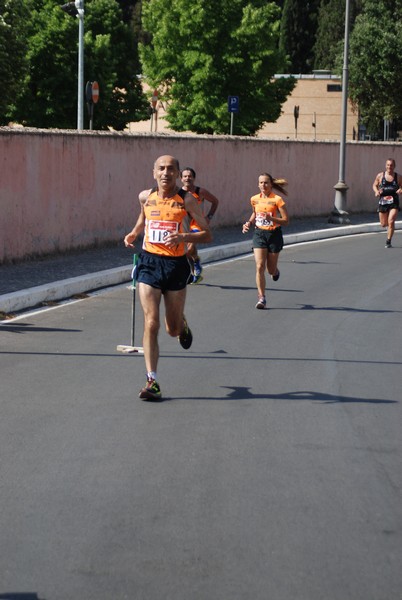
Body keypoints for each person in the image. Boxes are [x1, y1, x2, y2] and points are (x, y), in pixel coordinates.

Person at [124, 155, 212, 401]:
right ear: (154, 173)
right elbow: (143, 219)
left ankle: (181, 324)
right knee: (151, 322)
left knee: (171, 330)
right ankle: (152, 381)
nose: (165, 173)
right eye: (161, 169)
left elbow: (207, 234)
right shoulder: (146, 197)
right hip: (149, 263)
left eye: (170, 169)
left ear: (178, 173)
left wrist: (183, 238)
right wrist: (133, 234)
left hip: (175, 265)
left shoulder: (187, 201)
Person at [242, 172, 289, 309]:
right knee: (259, 266)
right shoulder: (254, 199)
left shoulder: (277, 200)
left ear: (271, 184)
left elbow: (286, 221)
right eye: (261, 182)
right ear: (258, 184)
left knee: (270, 270)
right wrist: (249, 223)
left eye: (266, 182)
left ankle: (275, 272)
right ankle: (261, 297)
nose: (263, 185)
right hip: (259, 234)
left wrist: (272, 219)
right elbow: (255, 213)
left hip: (274, 235)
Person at [180, 167, 219, 283]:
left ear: (194, 178)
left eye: (190, 176)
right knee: (186, 251)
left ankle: (196, 261)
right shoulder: (178, 193)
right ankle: (194, 272)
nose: (188, 178)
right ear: (181, 179)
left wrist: (209, 217)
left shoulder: (200, 192)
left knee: (190, 247)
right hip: (184, 224)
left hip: (197, 224)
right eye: (185, 176)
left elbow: (215, 201)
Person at [372, 158, 402, 248]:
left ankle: (388, 241)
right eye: (388, 165)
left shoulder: (398, 177)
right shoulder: (380, 176)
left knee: (391, 221)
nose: (390, 167)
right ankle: (388, 228)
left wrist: (401, 189)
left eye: (391, 165)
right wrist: (376, 191)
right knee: (383, 224)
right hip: (383, 201)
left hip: (394, 201)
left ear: (394, 166)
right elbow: (374, 185)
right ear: (386, 166)